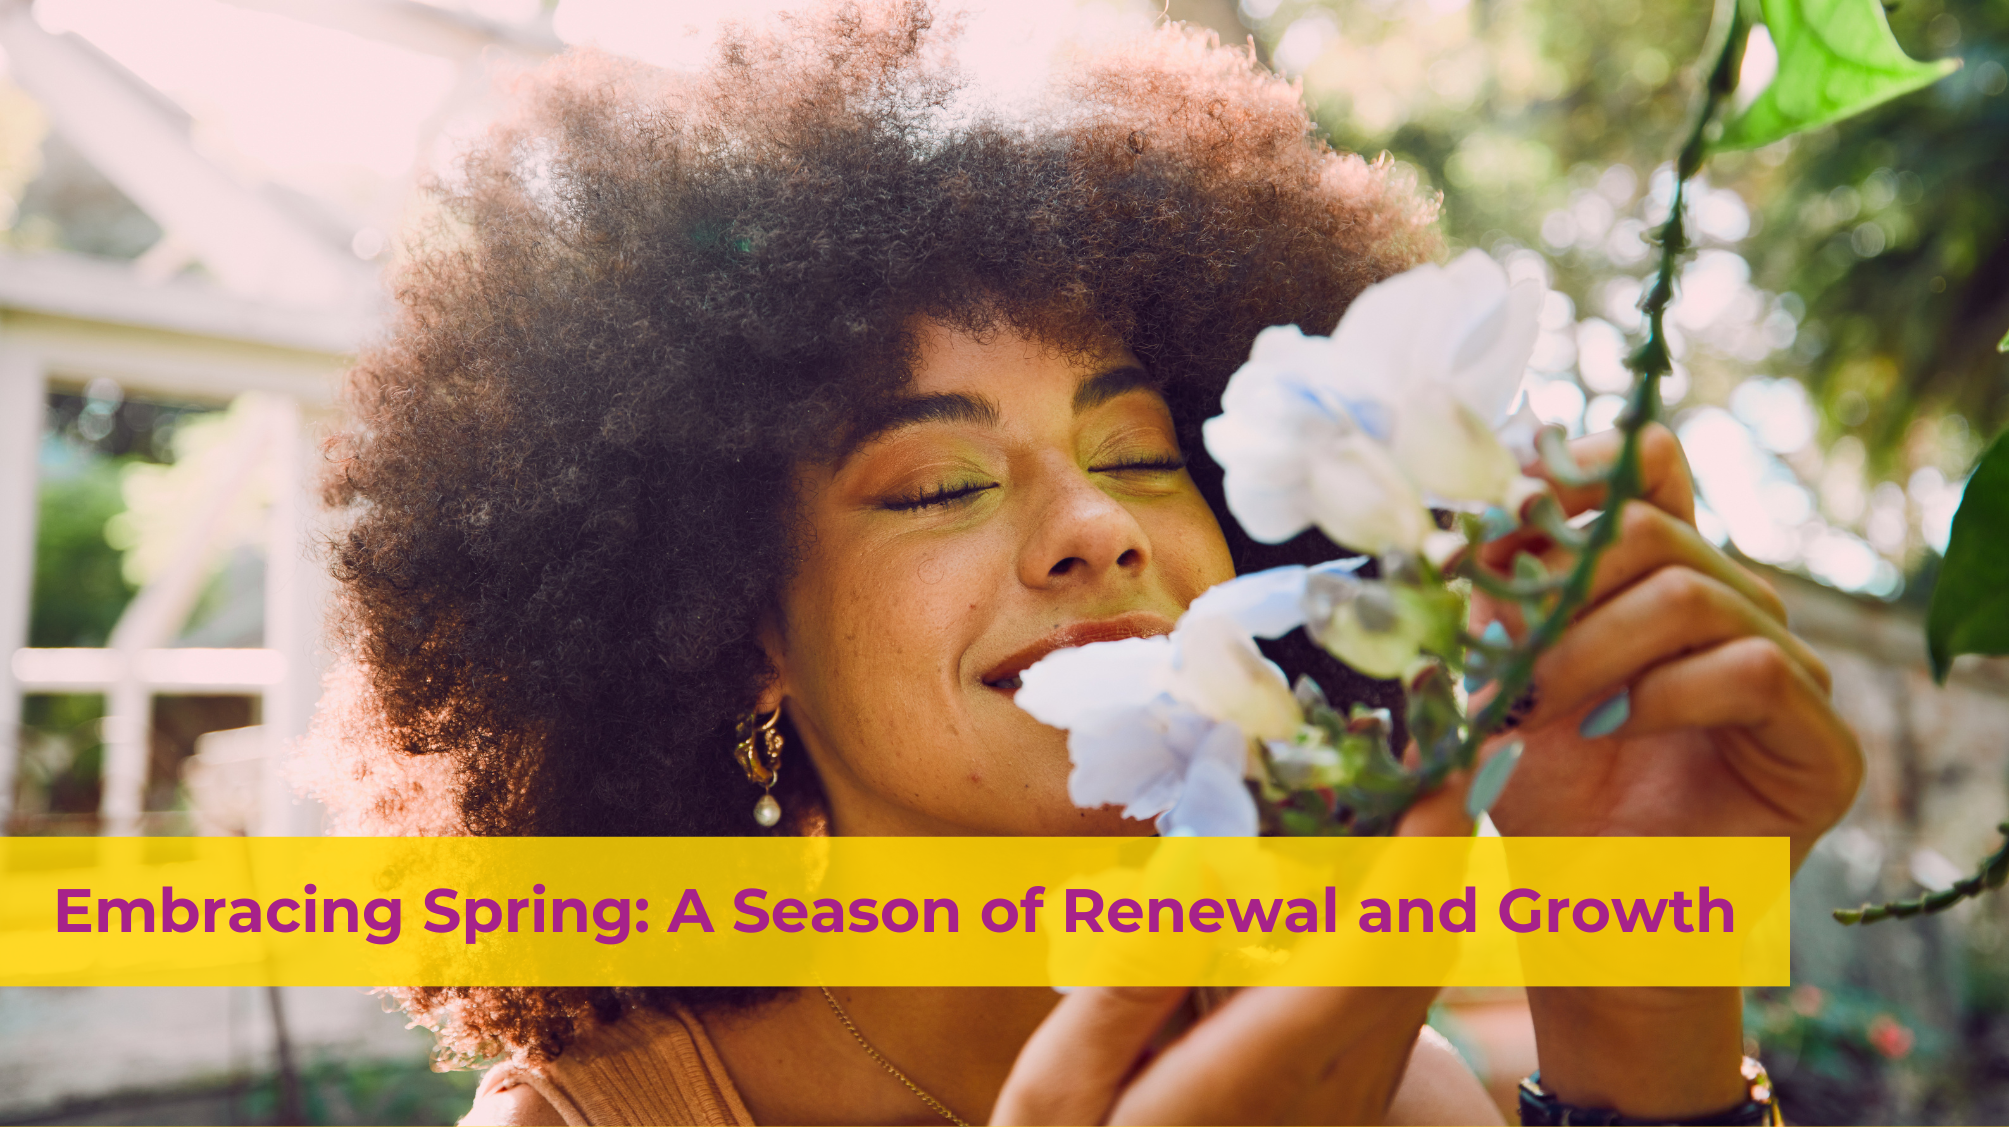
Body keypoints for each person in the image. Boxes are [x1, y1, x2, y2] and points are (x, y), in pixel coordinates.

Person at [305, 3, 1862, 1122]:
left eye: (1137, 455)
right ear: (732, 625)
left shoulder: (1370, 1078)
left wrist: (1642, 1015)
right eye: (935, 484)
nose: (1100, 525)